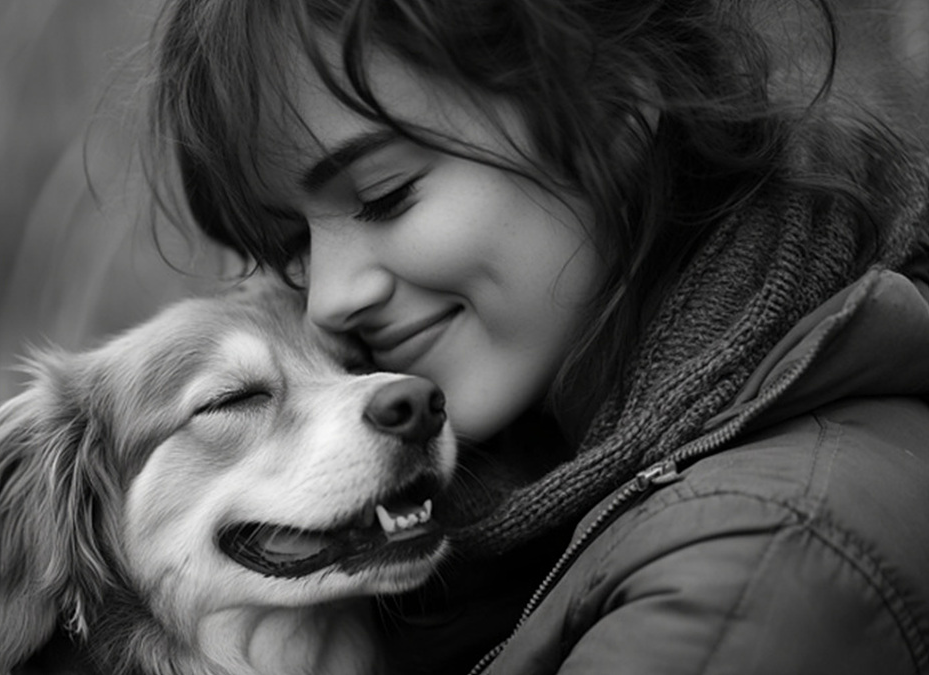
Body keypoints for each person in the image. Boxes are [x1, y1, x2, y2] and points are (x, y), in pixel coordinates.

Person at [144, 0, 929, 673]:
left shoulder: (750, 563)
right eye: (293, 252)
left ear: (615, 100)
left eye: (385, 195)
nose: (330, 301)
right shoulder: (544, 485)